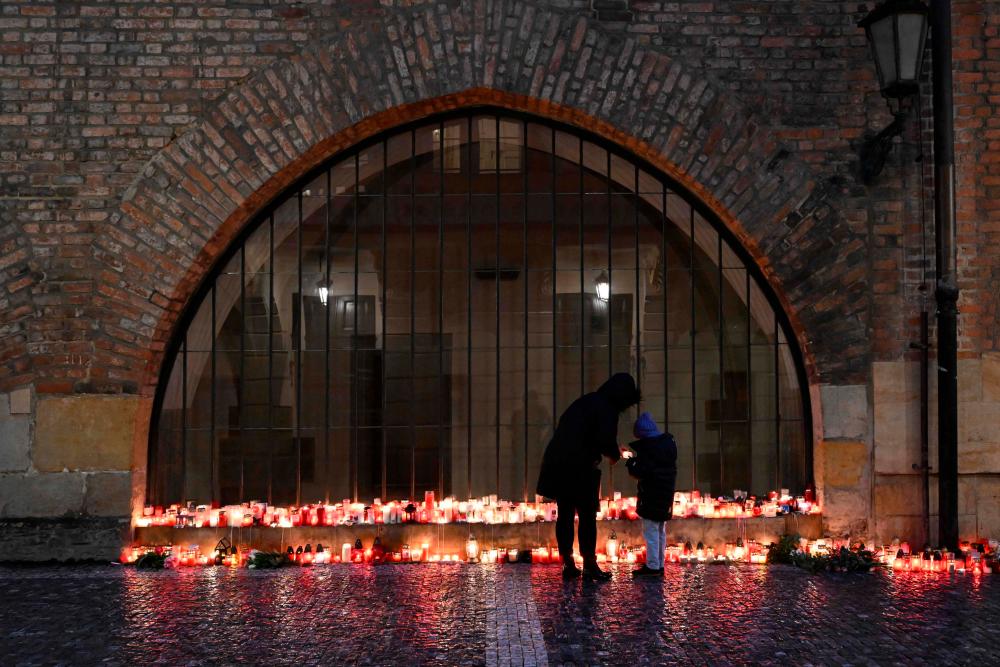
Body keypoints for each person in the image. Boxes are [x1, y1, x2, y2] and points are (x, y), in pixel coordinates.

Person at [536, 373, 641, 581]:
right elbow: (605, 438)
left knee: (565, 513)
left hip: (559, 463)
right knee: (586, 515)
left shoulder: (587, 401)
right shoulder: (607, 409)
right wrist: (614, 454)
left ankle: (567, 562)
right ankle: (590, 564)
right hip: (580, 466)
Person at [625, 412, 677, 578]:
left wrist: (631, 461)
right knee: (660, 530)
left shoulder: (650, 448)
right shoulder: (666, 446)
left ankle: (653, 566)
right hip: (664, 493)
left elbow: (641, 471)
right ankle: (659, 564)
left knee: (651, 532)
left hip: (652, 494)